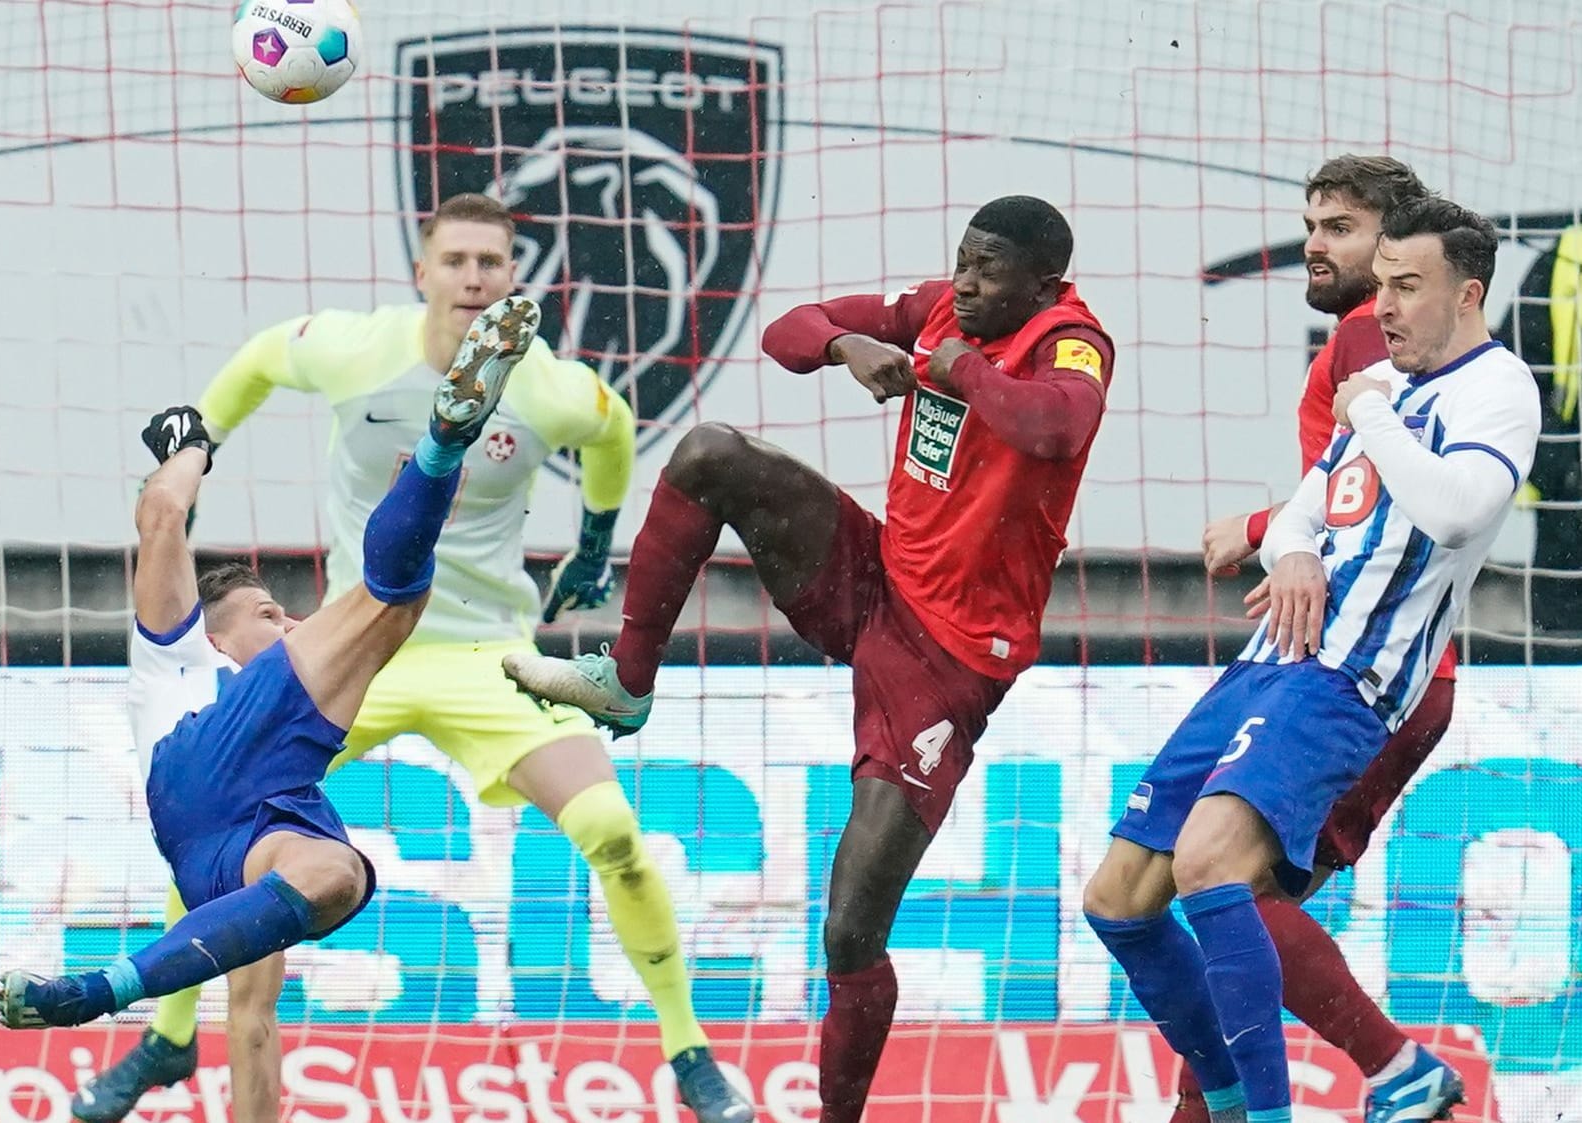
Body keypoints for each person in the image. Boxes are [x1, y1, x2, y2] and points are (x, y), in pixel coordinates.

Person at [72, 194, 751, 1123]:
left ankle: (689, 1051)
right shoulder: (356, 350)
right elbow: (261, 359)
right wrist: (202, 458)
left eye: (493, 262)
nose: (475, 276)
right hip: (357, 653)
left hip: (489, 657)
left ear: (515, 278)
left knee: (615, 834)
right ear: (422, 273)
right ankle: (168, 1035)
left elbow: (614, 430)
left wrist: (596, 539)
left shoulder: (549, 385)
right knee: (208, 824)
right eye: (457, 259)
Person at [505, 195, 1117, 1122]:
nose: (964, 280)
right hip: (874, 576)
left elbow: (1056, 429)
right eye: (960, 259)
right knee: (710, 453)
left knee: (849, 930)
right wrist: (847, 347)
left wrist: (954, 369)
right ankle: (626, 682)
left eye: (987, 269)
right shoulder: (936, 308)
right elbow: (791, 330)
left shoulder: (1071, 342)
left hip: (949, 661)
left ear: (1042, 283)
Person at [0, 297, 540, 1123]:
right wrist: (189, 447)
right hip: (206, 761)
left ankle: (96, 991)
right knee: (391, 594)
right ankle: (442, 443)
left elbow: (253, 1027)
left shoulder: (278, 727)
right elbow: (161, 513)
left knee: (335, 877)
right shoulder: (179, 645)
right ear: (219, 629)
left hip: (237, 841)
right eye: (269, 613)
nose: (287, 620)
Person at [1084, 195, 1540, 1123]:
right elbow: (1310, 500)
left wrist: (1370, 414)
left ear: (1467, 294)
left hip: (1351, 677)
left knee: (1214, 867)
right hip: (1266, 662)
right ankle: (1226, 1092)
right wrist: (1290, 546)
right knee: (1119, 897)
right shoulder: (1387, 389)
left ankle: (1267, 1110)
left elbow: (1455, 509)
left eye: (1406, 288)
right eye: (1382, 289)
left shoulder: (1496, 389)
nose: (1384, 307)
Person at [1187, 155, 1460, 1123]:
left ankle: (1395, 1066)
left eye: (1338, 226)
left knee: (1210, 889)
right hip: (1379, 662)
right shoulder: (1389, 346)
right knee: (1231, 920)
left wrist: (1266, 533)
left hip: (1357, 666)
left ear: (1391, 251)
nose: (1312, 242)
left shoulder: (1363, 335)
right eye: (1309, 221)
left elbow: (1376, 483)